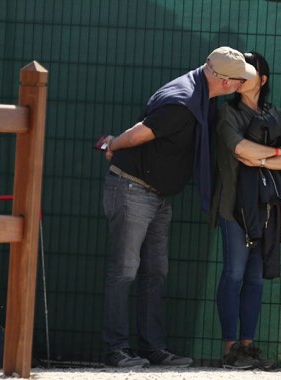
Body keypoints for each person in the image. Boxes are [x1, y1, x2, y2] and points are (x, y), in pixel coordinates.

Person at [99, 46, 256, 368]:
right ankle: (116, 350)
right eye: (241, 81)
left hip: (157, 195)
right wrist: (113, 144)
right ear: (225, 82)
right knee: (125, 271)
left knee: (155, 271)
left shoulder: (202, 96)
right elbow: (141, 133)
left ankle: (153, 348)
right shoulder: (184, 102)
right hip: (132, 190)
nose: (243, 86)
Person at [211, 51, 281, 370]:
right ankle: (229, 349)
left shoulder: (276, 113)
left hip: (267, 208)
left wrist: (263, 158)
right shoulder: (226, 114)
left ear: (262, 80)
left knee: (255, 278)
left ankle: (248, 347)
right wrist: (277, 154)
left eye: (249, 71)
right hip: (232, 207)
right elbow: (238, 149)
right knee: (234, 272)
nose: (242, 75)